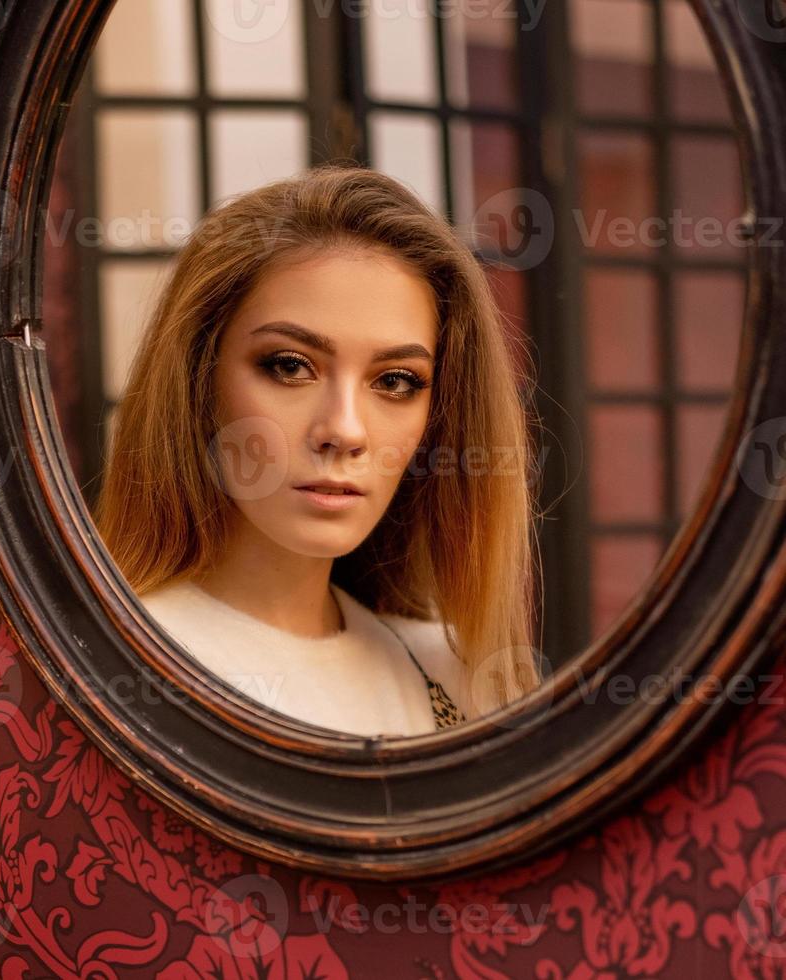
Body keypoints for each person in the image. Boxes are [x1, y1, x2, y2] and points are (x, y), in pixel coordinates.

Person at [95, 166, 544, 736]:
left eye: (396, 381)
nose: (345, 430)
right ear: (197, 380)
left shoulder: (453, 676)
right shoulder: (116, 665)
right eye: (290, 366)